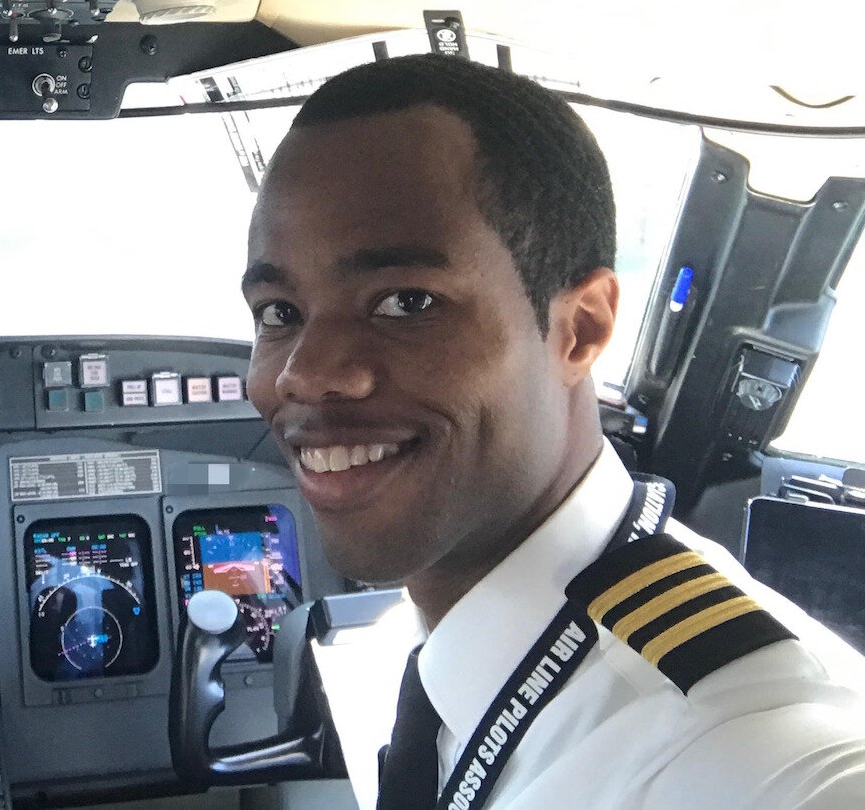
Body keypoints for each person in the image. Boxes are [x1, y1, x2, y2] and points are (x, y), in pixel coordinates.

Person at [241, 53, 865, 809]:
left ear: (581, 329)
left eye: (405, 301)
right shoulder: (434, 638)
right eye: (279, 312)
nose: (304, 374)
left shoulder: (739, 744)